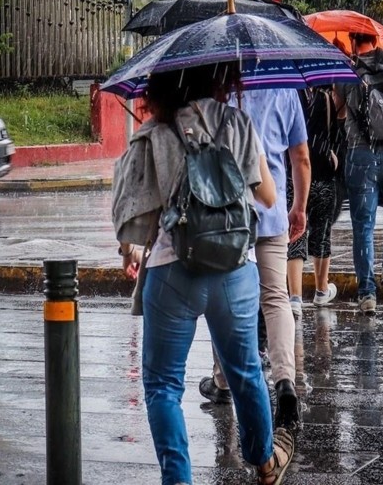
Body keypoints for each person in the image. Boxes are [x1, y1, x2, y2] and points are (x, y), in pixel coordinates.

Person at [111, 62, 294, 485]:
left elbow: (134, 219)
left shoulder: (154, 135)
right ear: (217, 76)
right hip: (233, 272)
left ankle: (178, 479)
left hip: (172, 271)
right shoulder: (236, 121)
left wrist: (129, 251)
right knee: (245, 371)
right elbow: (267, 198)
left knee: (162, 387)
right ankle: (264, 462)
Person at [199, 86, 311, 432]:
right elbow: (301, 157)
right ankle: (284, 382)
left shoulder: (220, 90)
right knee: (276, 297)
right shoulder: (286, 91)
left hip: (229, 213)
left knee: (226, 297)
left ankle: (223, 381)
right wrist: (299, 207)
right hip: (271, 209)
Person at [334, 33, 383, 315]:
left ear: (353, 40)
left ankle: (367, 295)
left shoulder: (345, 70)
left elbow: (339, 113)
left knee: (363, 226)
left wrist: (341, 62)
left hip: (361, 154)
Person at [286, 86, 345, 316]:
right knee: (322, 233)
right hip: (322, 174)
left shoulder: (290, 97)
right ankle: (321, 290)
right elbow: (334, 134)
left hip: (296, 176)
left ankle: (295, 298)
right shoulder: (326, 99)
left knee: (295, 236)